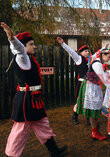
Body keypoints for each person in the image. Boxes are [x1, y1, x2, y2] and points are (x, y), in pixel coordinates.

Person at [1, 22, 67, 157]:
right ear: (23, 46)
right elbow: (18, 48)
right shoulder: (22, 57)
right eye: (31, 44)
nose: (34, 46)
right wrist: (11, 38)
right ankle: (11, 155)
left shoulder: (29, 59)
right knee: (20, 130)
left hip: (34, 97)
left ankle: (54, 151)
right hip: (26, 99)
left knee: (43, 124)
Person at [79, 47, 110, 140]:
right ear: (102, 55)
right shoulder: (97, 64)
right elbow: (104, 79)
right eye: (108, 57)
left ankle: (95, 131)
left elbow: (103, 75)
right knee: (94, 110)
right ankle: (95, 132)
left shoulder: (99, 62)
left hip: (94, 86)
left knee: (96, 109)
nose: (109, 59)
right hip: (91, 88)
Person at [57, 37, 91, 125]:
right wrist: (63, 44)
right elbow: (71, 52)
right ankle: (75, 116)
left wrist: (104, 48)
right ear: (81, 52)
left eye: (88, 51)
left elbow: (98, 54)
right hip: (81, 83)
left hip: (89, 83)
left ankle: (88, 118)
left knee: (89, 100)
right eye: (85, 51)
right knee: (79, 100)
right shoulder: (78, 58)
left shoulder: (90, 60)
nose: (87, 52)